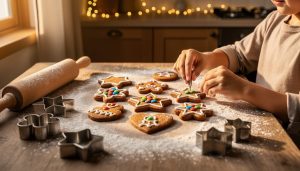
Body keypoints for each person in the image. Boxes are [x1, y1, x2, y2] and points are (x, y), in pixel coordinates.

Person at [173, 0, 300, 146]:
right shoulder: (275, 19)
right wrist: (207, 58)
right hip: (259, 131)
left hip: (290, 147)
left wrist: (245, 90)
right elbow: (239, 55)